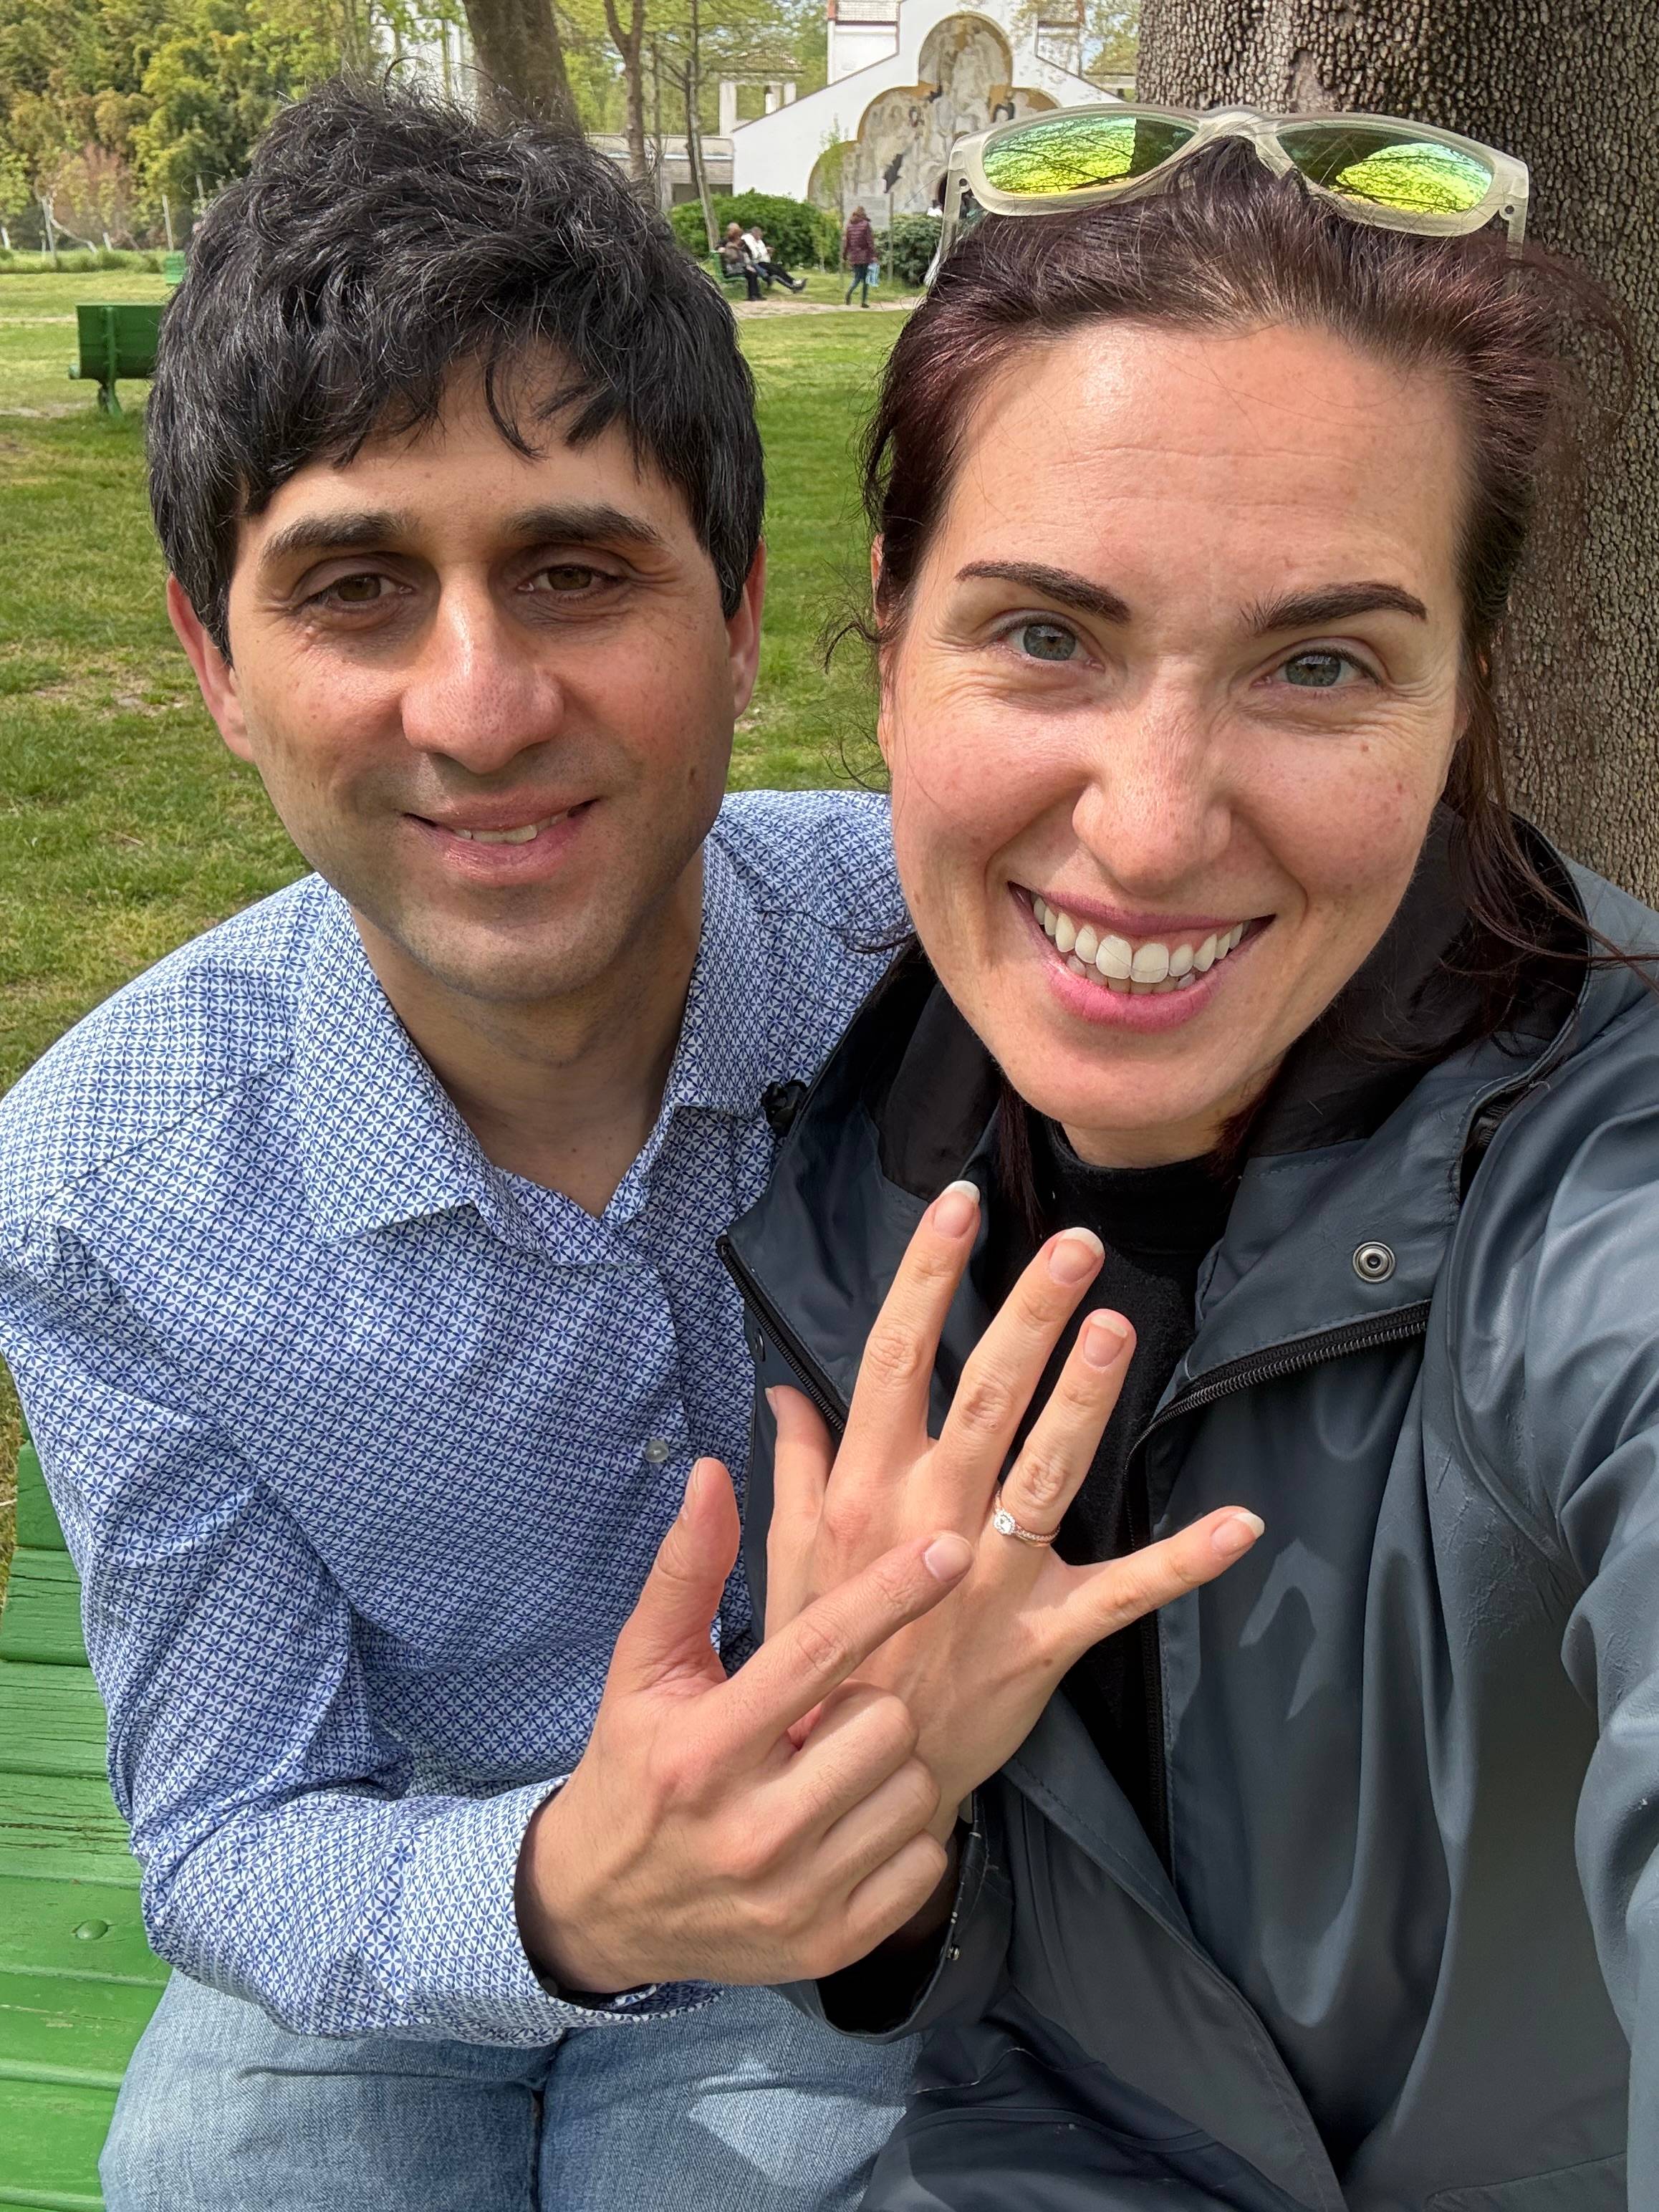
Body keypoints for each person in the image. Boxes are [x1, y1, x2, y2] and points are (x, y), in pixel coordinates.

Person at [0, 79, 985, 2212]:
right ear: (215, 664)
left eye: (572, 571)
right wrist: (569, 1892)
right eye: (355, 587)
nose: (476, 705)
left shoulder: (945, 961)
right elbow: (240, 1829)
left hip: (841, 1856)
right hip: (398, 1872)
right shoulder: (101, 1189)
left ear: (739, 616)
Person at [726, 111, 1659, 2206]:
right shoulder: (868, 1176)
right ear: (885, 640)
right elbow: (988, 1995)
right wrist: (884, 1833)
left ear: (1458, 700)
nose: (1148, 830)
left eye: (1316, 665)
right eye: (1043, 636)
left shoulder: (1600, 1204)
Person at [742, 223, 807, 294]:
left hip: (762, 262)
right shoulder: (749, 241)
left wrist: (768, 253)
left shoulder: (759, 241)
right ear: (755, 234)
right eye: (759, 235)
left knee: (778, 268)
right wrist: (765, 251)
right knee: (775, 271)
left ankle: (794, 282)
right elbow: (755, 256)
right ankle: (793, 286)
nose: (761, 237)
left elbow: (763, 255)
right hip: (756, 264)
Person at [843, 205, 876, 307]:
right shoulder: (866, 225)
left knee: (857, 277)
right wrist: (874, 254)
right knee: (865, 279)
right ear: (863, 214)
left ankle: (849, 293)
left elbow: (847, 243)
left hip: (854, 256)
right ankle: (863, 301)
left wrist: (845, 255)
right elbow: (869, 241)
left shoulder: (849, 226)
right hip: (865, 255)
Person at [722, 218, 761, 299]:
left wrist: (747, 264)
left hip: (739, 266)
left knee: (754, 271)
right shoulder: (730, 246)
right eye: (738, 236)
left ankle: (756, 294)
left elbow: (749, 254)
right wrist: (746, 266)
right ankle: (752, 295)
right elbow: (733, 259)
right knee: (752, 273)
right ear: (734, 237)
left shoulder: (740, 245)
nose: (740, 239)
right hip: (733, 268)